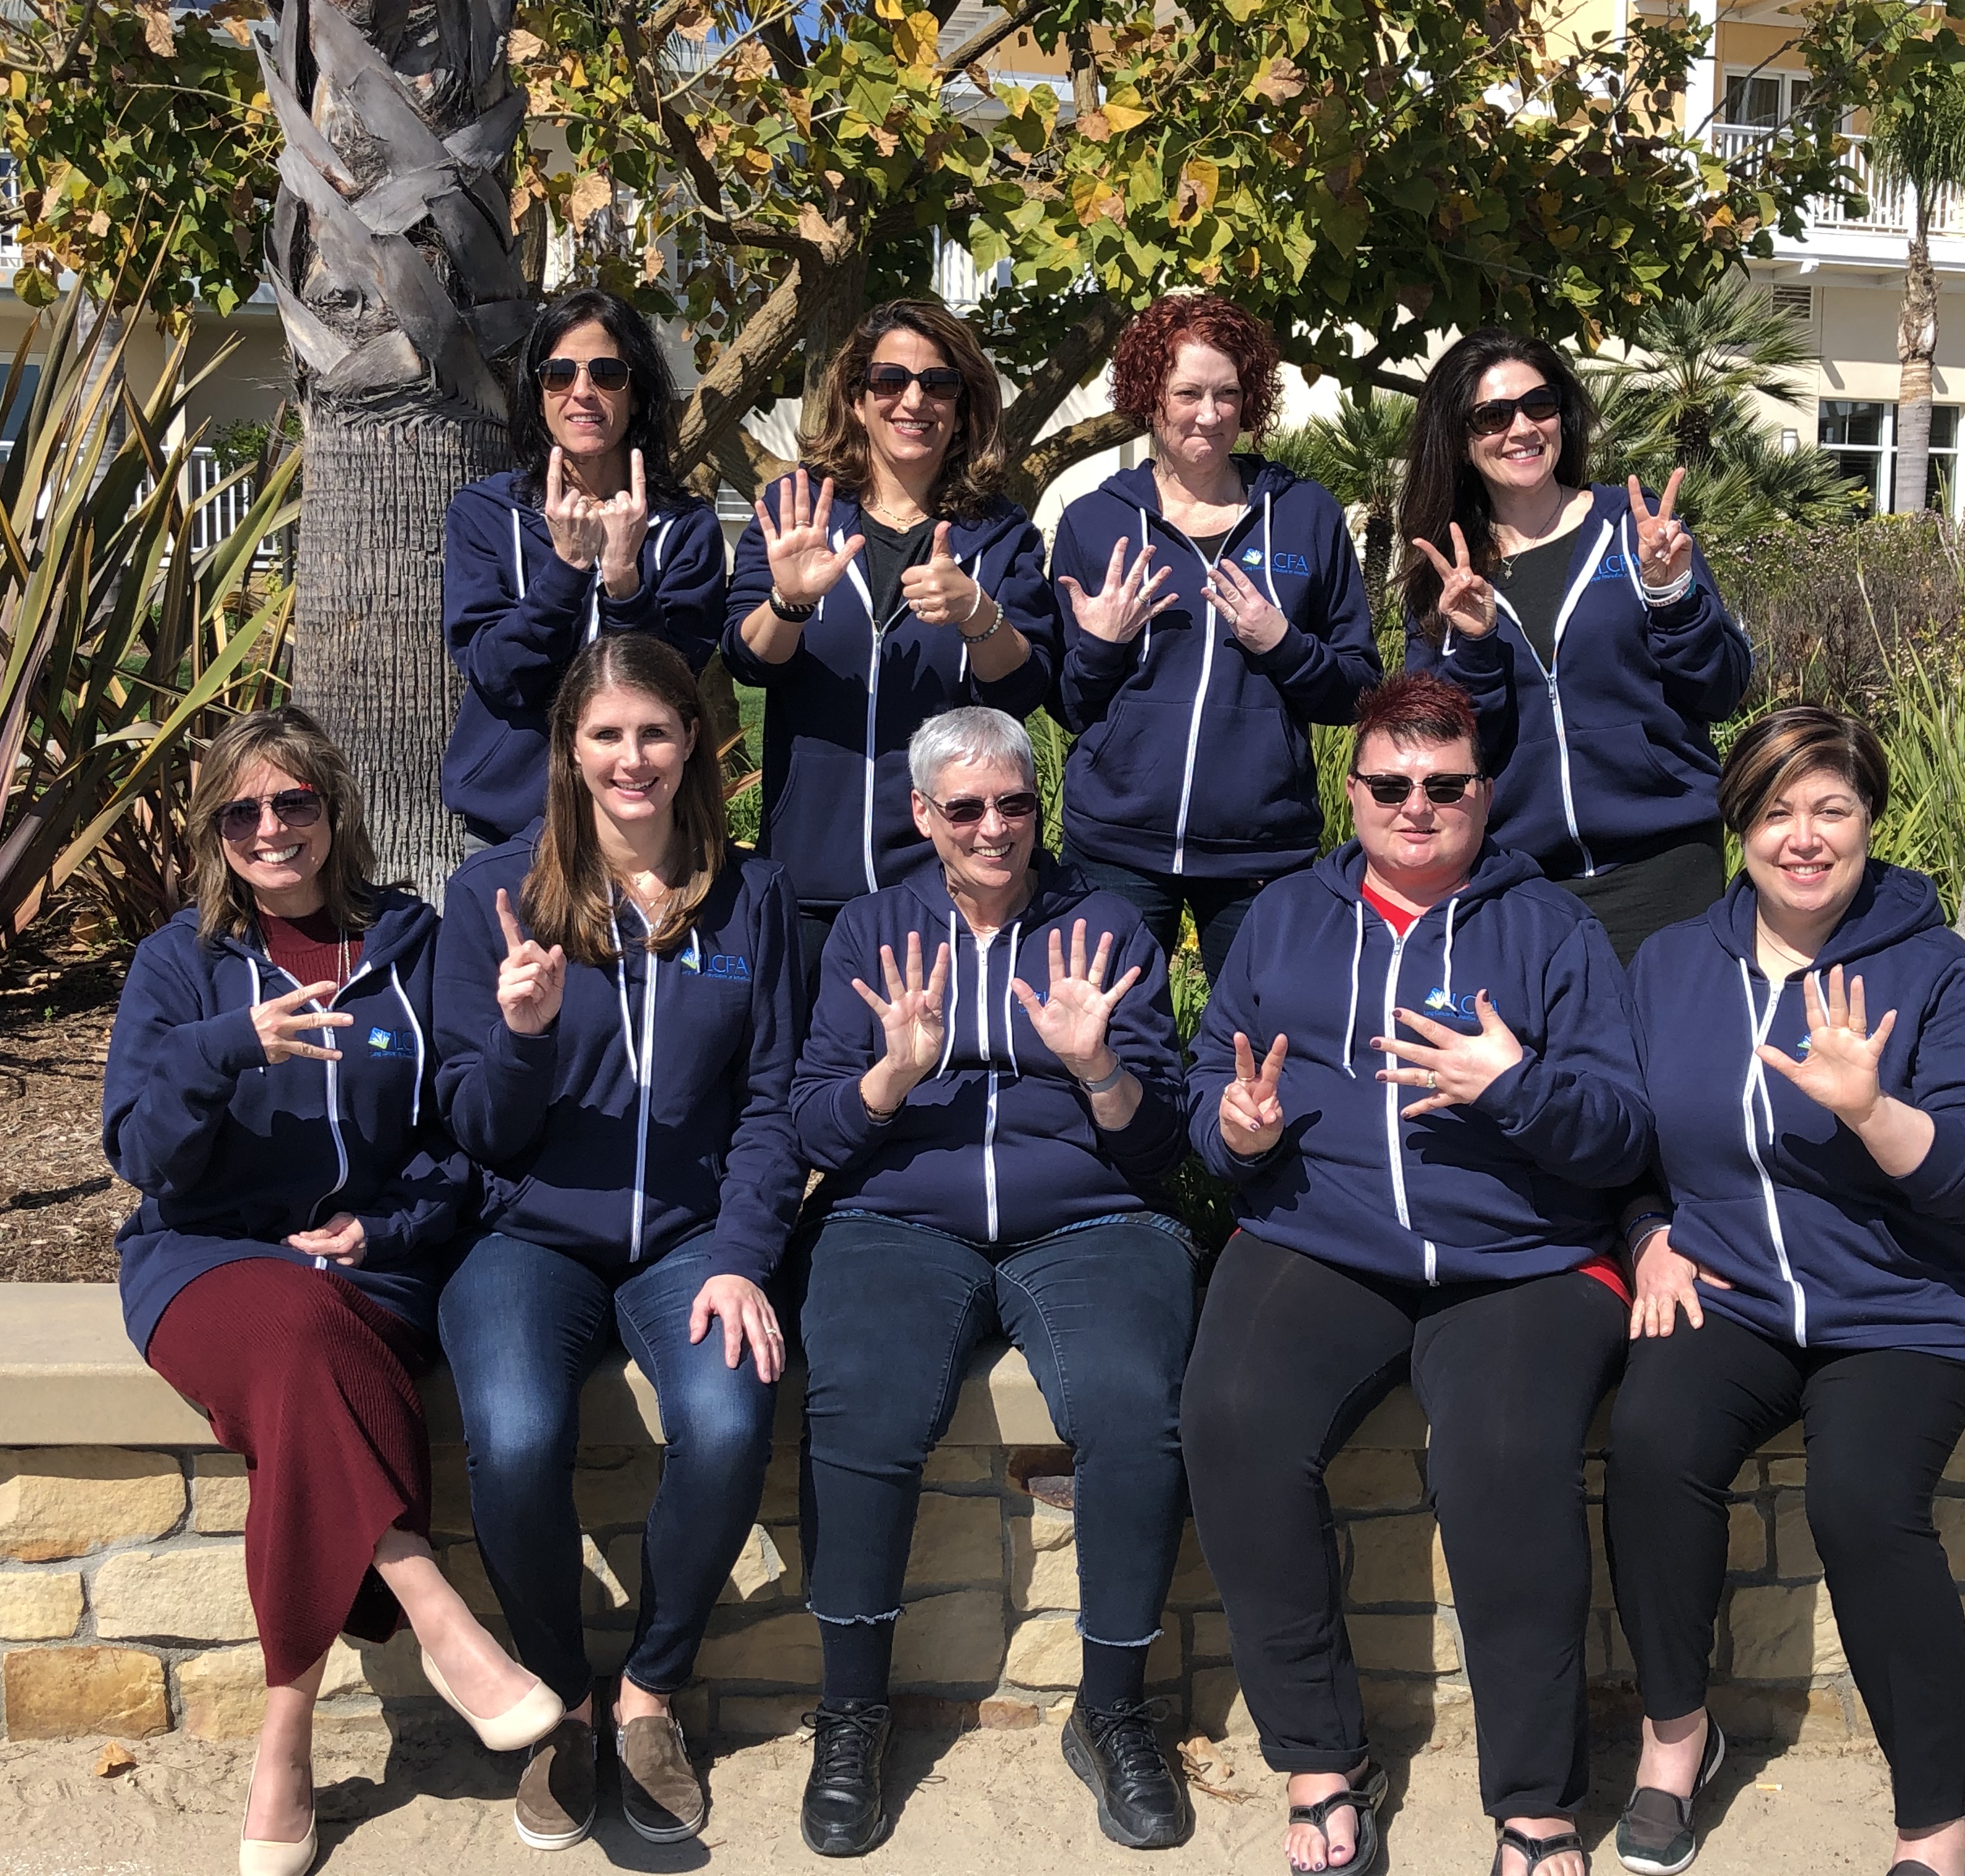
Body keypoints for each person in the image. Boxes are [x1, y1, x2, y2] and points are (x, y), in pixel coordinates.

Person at [1182, 674, 1653, 1876]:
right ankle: (1322, 1760)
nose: (1417, 806)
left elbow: (1620, 1131)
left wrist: (1515, 1088)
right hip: (1322, 1240)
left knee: (1503, 1459)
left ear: (1484, 796)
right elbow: (1205, 1083)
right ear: (1352, 792)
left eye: (1446, 787)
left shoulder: (1550, 929)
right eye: (1390, 784)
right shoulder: (1286, 917)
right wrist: (1233, 1129)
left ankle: (1537, 1805)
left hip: (1521, 1261)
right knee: (1231, 1418)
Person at [104, 707, 561, 1876]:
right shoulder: (179, 961)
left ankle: (284, 1738)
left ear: (333, 812)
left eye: (294, 802)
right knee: (290, 1324)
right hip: (205, 1261)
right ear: (216, 829)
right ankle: (435, 1608)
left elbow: (461, 1141)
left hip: (372, 1267)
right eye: (244, 810)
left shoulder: (409, 943)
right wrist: (221, 1050)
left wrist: (387, 1222)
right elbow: (146, 1157)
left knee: (308, 1355)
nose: (272, 828)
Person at [1605, 707, 1965, 1876]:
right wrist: (1647, 1234)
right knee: (1648, 1439)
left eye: (1830, 808)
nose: (1804, 837)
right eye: (1777, 810)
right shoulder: (1674, 965)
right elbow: (1628, 1150)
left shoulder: (1937, 969)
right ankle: (1675, 1735)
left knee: (1859, 1502)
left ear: (1869, 821)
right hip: (1735, 1295)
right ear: (1737, 825)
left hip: (1901, 1305)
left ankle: (1932, 1822)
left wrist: (1874, 1112)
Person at [789, 706, 1194, 1857]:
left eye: (1014, 802)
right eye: (963, 807)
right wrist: (890, 1074)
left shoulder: (1102, 926)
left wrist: (1097, 1066)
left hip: (1089, 1217)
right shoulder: (872, 929)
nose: (993, 827)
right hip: (897, 1216)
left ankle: (1112, 1706)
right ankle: (852, 1710)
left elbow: (1159, 1140)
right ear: (921, 815)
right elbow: (815, 1113)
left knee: (1131, 1407)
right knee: (861, 1400)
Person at [432, 635, 804, 1853]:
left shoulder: (751, 899)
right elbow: (476, 1125)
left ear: (694, 741)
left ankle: (648, 1691)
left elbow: (771, 1103)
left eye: (655, 731)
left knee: (732, 1414)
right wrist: (524, 1033)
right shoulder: (495, 898)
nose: (632, 757)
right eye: (606, 735)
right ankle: (564, 1705)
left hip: (689, 1237)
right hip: (526, 1236)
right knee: (520, 1434)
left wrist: (745, 1252)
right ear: (569, 752)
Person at [723, 301, 1062, 979]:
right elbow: (747, 658)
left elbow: (1025, 687)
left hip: (946, 883)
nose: (914, 401)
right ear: (856, 399)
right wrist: (791, 601)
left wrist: (977, 613)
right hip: (810, 877)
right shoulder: (800, 509)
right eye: (889, 381)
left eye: (938, 385)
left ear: (964, 408)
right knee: (813, 1079)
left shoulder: (998, 533)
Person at [1049, 292, 1381, 983]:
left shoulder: (1305, 516)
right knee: (1105, 1048)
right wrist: (1104, 646)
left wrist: (1283, 644)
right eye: (1188, 392)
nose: (1209, 413)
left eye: (1227, 394)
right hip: (1118, 846)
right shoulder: (1094, 523)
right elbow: (1071, 707)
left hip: (1257, 853)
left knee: (1260, 1052)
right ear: (1150, 397)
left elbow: (1360, 691)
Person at [1399, 329, 1750, 964]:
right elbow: (1441, 751)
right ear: (1461, 437)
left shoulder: (1635, 529)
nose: (1522, 429)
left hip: (1666, 860)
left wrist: (1673, 596)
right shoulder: (1446, 574)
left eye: (1540, 404)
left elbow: (1721, 690)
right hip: (1520, 876)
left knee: (1662, 1059)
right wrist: (1475, 645)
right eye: (1492, 416)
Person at [443, 287, 728, 846]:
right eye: (558, 374)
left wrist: (625, 584)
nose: (582, 393)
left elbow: (670, 693)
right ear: (539, 394)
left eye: (606, 373)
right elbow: (496, 673)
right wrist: (569, 570)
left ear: (638, 393)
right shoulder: (484, 514)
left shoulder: (686, 528)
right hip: (510, 829)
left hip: (643, 823)